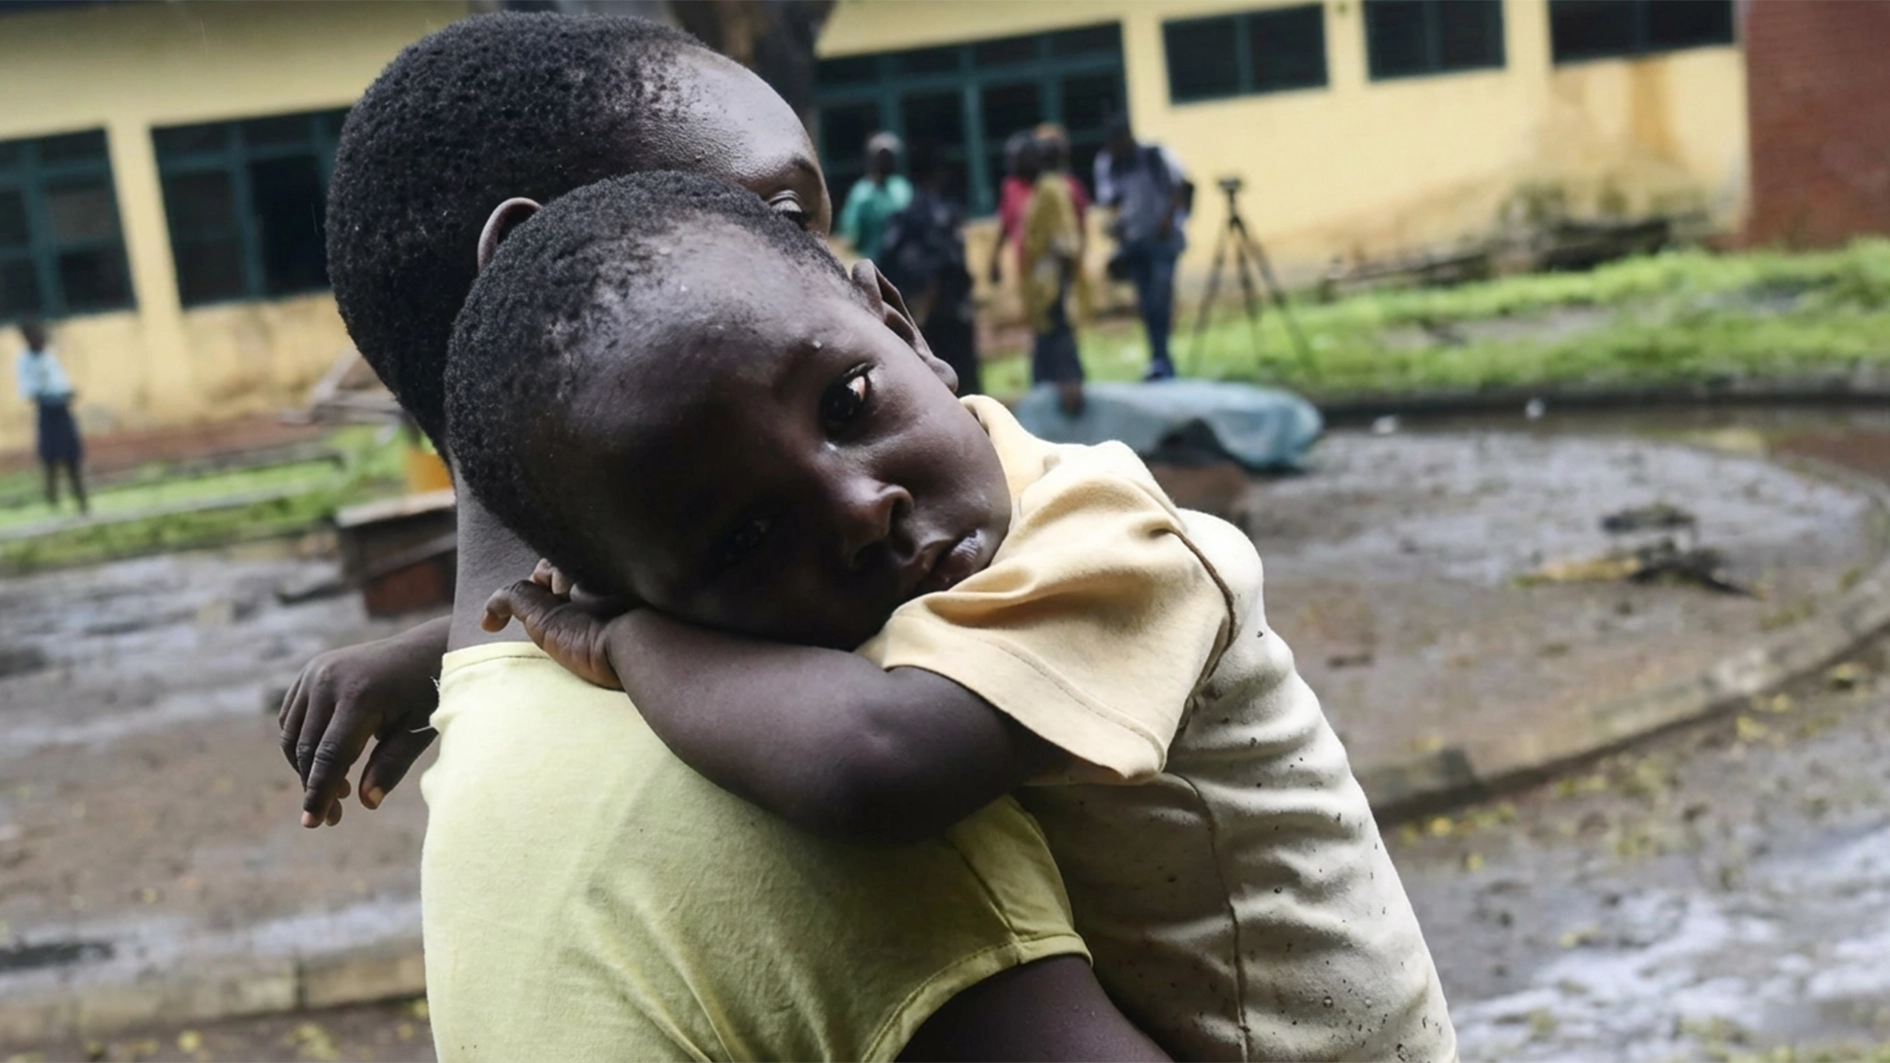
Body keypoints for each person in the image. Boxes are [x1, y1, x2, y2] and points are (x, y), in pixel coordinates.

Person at [289, 15, 1162, 1061]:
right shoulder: (791, 807)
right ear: (538, 261)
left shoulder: (503, 721)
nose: (843, 278)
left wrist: (443, 649)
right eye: (786, 218)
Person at [454, 172, 1458, 1062]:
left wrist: (626, 640)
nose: (859, 509)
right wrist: (432, 657)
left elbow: (877, 768)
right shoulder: (903, 585)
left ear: (901, 327)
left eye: (848, 402)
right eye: (742, 537)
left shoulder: (1114, 539)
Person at [877, 140, 979, 395]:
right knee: (966, 390)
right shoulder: (944, 216)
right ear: (939, 174)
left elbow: (886, 265)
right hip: (951, 314)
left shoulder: (903, 219)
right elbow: (950, 266)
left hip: (920, 318)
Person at [1095, 114, 1190, 381]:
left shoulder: (1155, 156)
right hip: (1135, 245)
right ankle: (1159, 360)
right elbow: (1112, 202)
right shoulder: (1110, 164)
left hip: (1162, 242)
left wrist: (1166, 223)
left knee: (1160, 301)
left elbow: (1179, 190)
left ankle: (1163, 359)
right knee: (1148, 305)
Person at [1018, 136, 1085, 415]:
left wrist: (1058, 281)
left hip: (1053, 285)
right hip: (1043, 287)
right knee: (1046, 349)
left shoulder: (1051, 190)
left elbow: (1065, 241)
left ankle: (1073, 406)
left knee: (1060, 348)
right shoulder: (1041, 189)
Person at [989, 126, 1090, 288]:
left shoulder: (1058, 187)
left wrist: (1077, 260)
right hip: (1027, 264)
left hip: (1056, 264)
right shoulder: (1012, 187)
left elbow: (1077, 226)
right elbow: (1005, 224)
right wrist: (994, 259)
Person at [14, 319, 86, 514]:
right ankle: (52, 501)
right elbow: (29, 392)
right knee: (50, 458)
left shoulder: (50, 355)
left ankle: (81, 501)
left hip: (62, 409)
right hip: (47, 411)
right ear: (28, 338)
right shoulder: (24, 361)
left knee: (72, 456)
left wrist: (66, 393)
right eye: (37, 333)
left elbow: (61, 382)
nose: (42, 336)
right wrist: (48, 396)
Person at [837, 131, 912, 261]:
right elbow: (850, 236)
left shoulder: (902, 188)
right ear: (871, 159)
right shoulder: (861, 193)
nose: (886, 161)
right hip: (873, 263)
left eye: (889, 157)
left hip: (904, 263)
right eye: (882, 157)